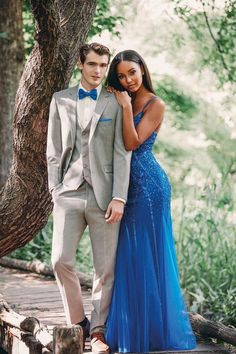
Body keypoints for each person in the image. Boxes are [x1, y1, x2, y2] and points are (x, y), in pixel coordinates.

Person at [105, 50, 197, 353]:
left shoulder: (156, 104)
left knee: (145, 254)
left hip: (149, 189)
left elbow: (132, 143)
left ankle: (153, 333)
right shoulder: (119, 100)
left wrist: (126, 108)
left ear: (142, 69)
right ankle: (135, 329)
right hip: (124, 188)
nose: (127, 80)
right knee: (129, 256)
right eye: (121, 75)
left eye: (132, 72)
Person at [46, 43, 131, 353]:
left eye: (103, 65)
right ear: (80, 65)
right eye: (92, 64)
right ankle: (77, 321)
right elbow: (54, 150)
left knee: (104, 268)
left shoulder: (115, 101)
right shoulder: (61, 100)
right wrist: (54, 188)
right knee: (60, 260)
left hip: (105, 195)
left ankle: (97, 332)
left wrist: (119, 196)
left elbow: (122, 152)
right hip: (68, 193)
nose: (98, 70)